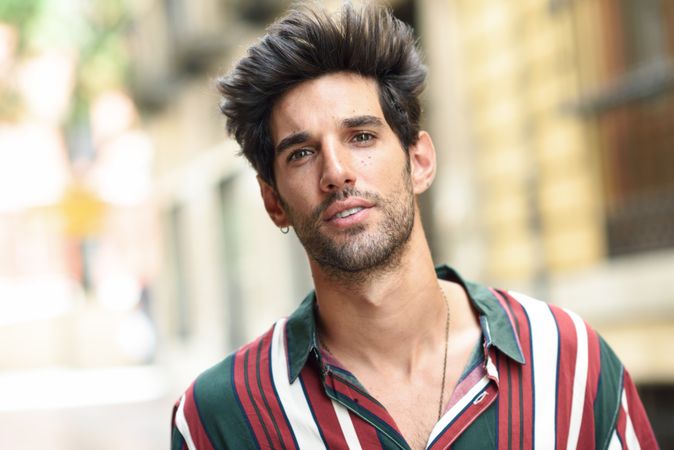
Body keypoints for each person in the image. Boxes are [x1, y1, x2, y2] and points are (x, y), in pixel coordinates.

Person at [171, 3, 658, 449]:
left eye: (361, 136)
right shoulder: (219, 419)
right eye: (301, 153)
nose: (336, 171)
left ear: (419, 160)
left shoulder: (569, 362)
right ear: (272, 200)